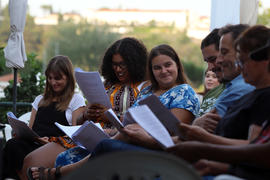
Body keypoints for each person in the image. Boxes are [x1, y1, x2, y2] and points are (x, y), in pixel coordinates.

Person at [28, 44, 200, 180]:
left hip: (151, 147)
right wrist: (107, 128)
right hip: (124, 137)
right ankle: (59, 171)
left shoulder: (184, 91)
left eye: (167, 65)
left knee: (105, 146)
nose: (163, 71)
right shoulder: (147, 92)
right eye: (157, 68)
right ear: (151, 71)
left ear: (177, 64)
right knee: (68, 155)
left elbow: (176, 131)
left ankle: (57, 173)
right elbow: (128, 121)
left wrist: (136, 131)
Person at [53, 37, 148, 168]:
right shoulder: (107, 85)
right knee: (45, 159)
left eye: (122, 64)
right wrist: (87, 114)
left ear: (135, 63)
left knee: (63, 161)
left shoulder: (145, 86)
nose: (118, 69)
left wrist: (110, 116)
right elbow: (80, 121)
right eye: (114, 64)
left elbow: (145, 123)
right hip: (90, 139)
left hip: (120, 141)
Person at [2, 55, 86, 180]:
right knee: (12, 144)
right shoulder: (40, 99)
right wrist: (21, 132)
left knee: (18, 150)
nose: (53, 82)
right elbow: (30, 129)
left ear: (68, 77)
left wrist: (52, 142)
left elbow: (75, 135)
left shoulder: (76, 99)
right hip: (35, 142)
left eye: (58, 78)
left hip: (57, 146)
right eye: (50, 78)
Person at [193, 24, 255, 133]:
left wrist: (193, 127)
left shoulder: (242, 87)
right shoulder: (225, 88)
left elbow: (204, 135)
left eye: (224, 52)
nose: (217, 62)